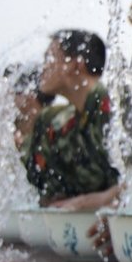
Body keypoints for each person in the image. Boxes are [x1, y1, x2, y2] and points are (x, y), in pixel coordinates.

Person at [25, 29, 119, 208]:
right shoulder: (64, 122)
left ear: (77, 65)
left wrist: (88, 202)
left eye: (50, 59)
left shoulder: (114, 110)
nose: (44, 67)